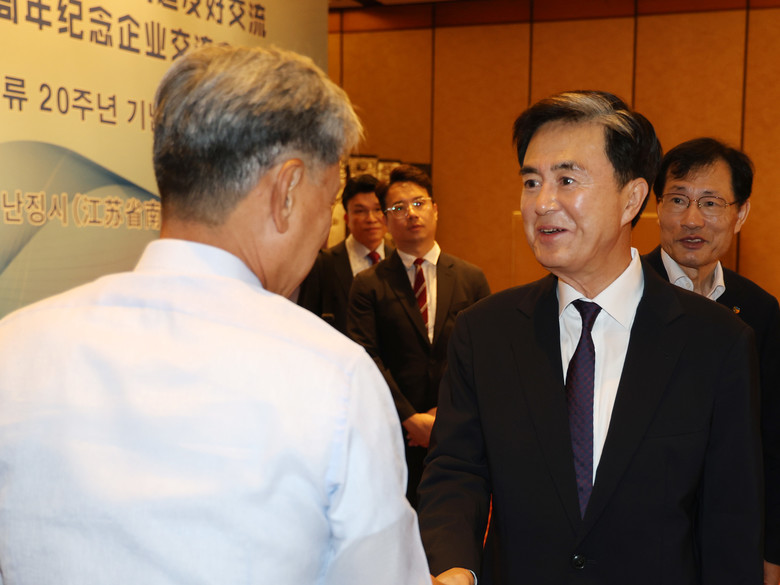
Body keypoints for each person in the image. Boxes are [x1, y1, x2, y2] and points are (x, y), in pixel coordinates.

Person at [0, 44, 432, 585]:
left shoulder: (16, 346)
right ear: (287, 190)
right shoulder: (334, 378)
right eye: (330, 201)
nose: (328, 225)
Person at [417, 91, 763, 584]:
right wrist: (455, 567)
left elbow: (730, 520)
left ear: (631, 199)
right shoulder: (486, 331)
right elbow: (455, 470)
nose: (542, 203)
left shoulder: (716, 342)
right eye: (531, 182)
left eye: (567, 180)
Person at [644, 137, 780, 584]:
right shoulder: (624, 296)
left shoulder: (758, 310)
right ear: (656, 207)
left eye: (710, 203)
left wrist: (772, 552)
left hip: (730, 537)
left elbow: (772, 441)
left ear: (740, 214)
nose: (692, 219)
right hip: (640, 536)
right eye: (677, 199)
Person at [347, 164, 490, 508]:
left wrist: (443, 414)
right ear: (386, 219)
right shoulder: (368, 284)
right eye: (398, 208)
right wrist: (410, 419)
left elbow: (485, 355)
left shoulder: (471, 278)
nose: (411, 213)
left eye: (418, 203)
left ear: (435, 209)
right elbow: (366, 357)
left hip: (456, 430)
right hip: (391, 435)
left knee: (452, 520)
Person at [298, 173, 393, 333]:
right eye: (360, 211)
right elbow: (306, 321)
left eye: (377, 209)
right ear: (347, 218)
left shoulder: (398, 261)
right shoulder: (323, 264)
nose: (371, 219)